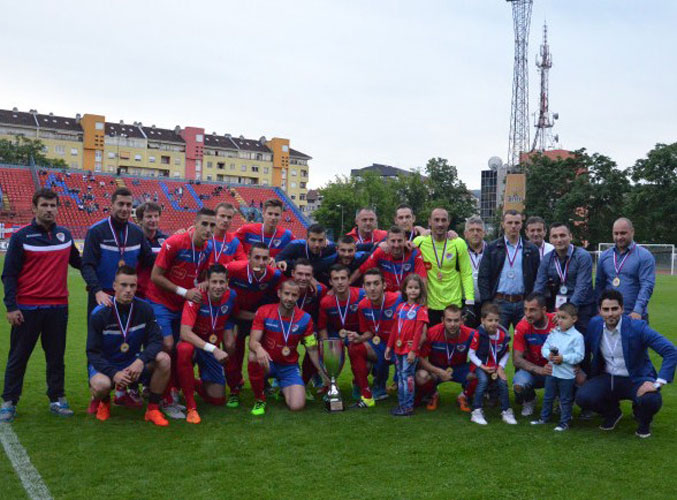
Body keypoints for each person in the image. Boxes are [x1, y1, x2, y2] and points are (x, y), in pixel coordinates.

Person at [0, 188, 82, 422]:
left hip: (58, 308)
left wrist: (98, 281)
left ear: (57, 208)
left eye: (52, 205)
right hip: (27, 308)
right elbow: (9, 275)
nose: (49, 210)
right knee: (19, 356)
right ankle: (9, 401)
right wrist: (11, 307)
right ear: (34, 208)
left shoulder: (65, 235)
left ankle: (57, 398)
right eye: (44, 205)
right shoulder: (21, 237)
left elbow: (79, 262)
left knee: (56, 357)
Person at [145, 208, 216, 418]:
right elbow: (155, 276)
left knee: (180, 349)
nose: (208, 229)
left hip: (182, 305)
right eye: (204, 224)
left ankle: (172, 390)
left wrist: (204, 283)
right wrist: (185, 292)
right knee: (167, 345)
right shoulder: (174, 243)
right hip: (160, 301)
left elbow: (202, 276)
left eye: (212, 225)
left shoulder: (207, 248)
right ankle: (162, 396)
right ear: (195, 223)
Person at [576, 289, 676, 438]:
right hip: (608, 377)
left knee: (651, 399)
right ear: (600, 311)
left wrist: (657, 383)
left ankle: (644, 423)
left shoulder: (638, 327)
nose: (610, 314)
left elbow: (670, 351)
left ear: (622, 309)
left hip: (636, 378)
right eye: (606, 309)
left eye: (614, 309)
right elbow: (585, 350)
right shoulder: (594, 324)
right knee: (583, 397)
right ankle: (612, 413)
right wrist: (580, 370)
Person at [85, 266, 171, 427]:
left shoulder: (145, 309)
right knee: (101, 385)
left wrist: (141, 361)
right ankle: (103, 402)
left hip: (133, 363)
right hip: (107, 364)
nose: (128, 290)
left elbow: (156, 341)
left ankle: (152, 409)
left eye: (132, 285)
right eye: (123, 285)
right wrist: (114, 373)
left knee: (164, 359)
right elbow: (92, 352)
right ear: (114, 286)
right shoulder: (100, 313)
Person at [247, 280, 327, 415]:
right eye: (287, 294)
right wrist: (259, 349)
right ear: (279, 293)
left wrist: (323, 373)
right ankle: (260, 398)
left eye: (294, 295)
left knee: (297, 406)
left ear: (298, 296)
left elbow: (312, 349)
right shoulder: (264, 311)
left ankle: (283, 388)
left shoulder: (305, 319)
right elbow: (253, 342)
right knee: (253, 355)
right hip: (268, 362)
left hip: (288, 367)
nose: (290, 298)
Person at [177, 264, 238, 424]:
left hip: (211, 348)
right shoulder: (196, 296)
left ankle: (188, 382)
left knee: (218, 399)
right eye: (214, 282)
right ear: (207, 282)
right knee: (184, 349)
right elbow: (185, 333)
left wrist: (228, 335)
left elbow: (230, 316)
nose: (218, 286)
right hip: (195, 345)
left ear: (227, 283)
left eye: (221, 282)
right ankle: (191, 406)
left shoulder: (231, 296)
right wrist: (214, 349)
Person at [224, 243, 283, 408]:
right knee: (231, 347)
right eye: (257, 257)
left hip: (257, 317)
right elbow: (214, 272)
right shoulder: (235, 268)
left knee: (260, 350)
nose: (261, 262)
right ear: (248, 257)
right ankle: (234, 388)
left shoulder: (274, 275)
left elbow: (286, 289)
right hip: (234, 315)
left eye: (265, 258)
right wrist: (204, 284)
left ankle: (264, 383)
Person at [81, 187, 154, 316]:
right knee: (99, 329)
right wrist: (97, 291)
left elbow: (150, 260)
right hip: (103, 296)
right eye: (121, 204)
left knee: (128, 329)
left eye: (128, 205)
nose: (125, 208)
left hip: (128, 295)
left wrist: (175, 244)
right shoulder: (96, 231)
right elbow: (87, 265)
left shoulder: (137, 233)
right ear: (112, 206)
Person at [349, 268, 403, 408]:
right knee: (355, 348)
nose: (372, 288)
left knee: (409, 386)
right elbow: (368, 332)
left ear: (384, 285)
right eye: (368, 284)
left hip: (400, 346)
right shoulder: (362, 305)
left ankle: (399, 385)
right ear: (363, 287)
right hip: (379, 345)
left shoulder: (398, 299)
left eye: (376, 283)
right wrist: (359, 338)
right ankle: (366, 394)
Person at [478, 210, 540, 330]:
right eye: (510, 222)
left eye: (517, 223)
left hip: (523, 303)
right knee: (498, 337)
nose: (513, 226)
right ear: (503, 224)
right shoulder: (492, 248)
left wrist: (533, 301)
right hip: (499, 302)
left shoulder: (531, 249)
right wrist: (487, 302)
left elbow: (537, 277)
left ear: (521, 225)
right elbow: (483, 276)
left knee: (525, 337)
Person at [414, 208, 474, 326]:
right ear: (429, 221)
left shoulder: (458, 243)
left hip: (453, 306)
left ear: (448, 222)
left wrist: (469, 302)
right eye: (436, 220)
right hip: (429, 305)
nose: (440, 224)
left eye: (443, 220)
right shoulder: (419, 242)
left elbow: (466, 273)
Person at [530, 303, 585, 431]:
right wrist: (548, 355)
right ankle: (544, 418)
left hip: (567, 375)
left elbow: (579, 356)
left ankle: (564, 422)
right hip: (552, 372)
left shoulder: (577, 337)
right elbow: (545, 348)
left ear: (574, 319)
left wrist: (563, 358)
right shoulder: (554, 332)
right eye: (558, 317)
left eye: (564, 318)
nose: (560, 320)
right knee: (548, 397)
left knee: (565, 399)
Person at [416, 305, 477, 413]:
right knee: (421, 376)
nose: (452, 324)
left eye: (456, 320)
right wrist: (437, 371)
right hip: (437, 369)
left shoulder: (472, 334)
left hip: (459, 368)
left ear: (462, 320)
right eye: (449, 320)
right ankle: (433, 394)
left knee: (479, 374)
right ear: (442, 320)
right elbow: (421, 358)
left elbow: (480, 357)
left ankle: (464, 396)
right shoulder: (432, 332)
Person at [534, 222, 595, 330]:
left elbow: (582, 288)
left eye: (562, 235)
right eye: (555, 236)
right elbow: (539, 286)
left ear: (570, 236)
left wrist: (566, 313)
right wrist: (533, 307)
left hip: (581, 309)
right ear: (550, 239)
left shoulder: (582, 256)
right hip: (558, 309)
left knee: (581, 339)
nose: (559, 240)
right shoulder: (547, 259)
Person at [594, 218, 655, 321]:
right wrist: (598, 309)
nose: (619, 237)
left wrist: (637, 310)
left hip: (634, 316)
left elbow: (647, 285)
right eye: (616, 233)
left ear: (632, 232)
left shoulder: (644, 256)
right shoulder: (605, 256)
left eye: (623, 233)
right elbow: (599, 286)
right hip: (609, 316)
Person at [385, 275, 429, 416]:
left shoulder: (421, 309)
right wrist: (389, 346)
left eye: (416, 288)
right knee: (400, 376)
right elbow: (394, 329)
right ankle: (401, 404)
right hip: (398, 348)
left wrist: (413, 350)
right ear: (404, 289)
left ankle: (408, 406)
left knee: (407, 376)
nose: (413, 290)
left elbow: (418, 332)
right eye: (410, 287)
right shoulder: (400, 307)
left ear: (420, 290)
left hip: (409, 350)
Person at [468, 302, 517, 425]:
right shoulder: (478, 334)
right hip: (480, 365)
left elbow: (506, 352)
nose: (493, 323)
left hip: (495, 366)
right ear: (483, 320)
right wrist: (482, 366)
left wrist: (500, 367)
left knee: (502, 382)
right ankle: (476, 411)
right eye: (490, 320)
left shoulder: (503, 335)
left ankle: (506, 410)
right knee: (483, 381)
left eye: (496, 320)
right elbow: (471, 353)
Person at [512, 293, 556, 417]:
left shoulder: (556, 321)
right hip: (533, 371)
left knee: (573, 376)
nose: (528, 314)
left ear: (544, 310)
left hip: (555, 369)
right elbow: (516, 360)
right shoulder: (522, 326)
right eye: (525, 309)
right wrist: (539, 370)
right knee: (519, 384)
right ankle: (530, 400)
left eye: (532, 310)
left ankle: (560, 402)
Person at [290, 259, 328, 398]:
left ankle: (305, 382)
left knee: (314, 346)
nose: (303, 278)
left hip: (308, 328)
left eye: (307, 275)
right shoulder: (284, 287)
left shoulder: (320, 290)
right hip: (286, 328)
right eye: (300, 274)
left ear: (312, 277)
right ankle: (280, 380)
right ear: (293, 273)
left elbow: (322, 311)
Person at [351, 226, 426, 292]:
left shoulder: (414, 252)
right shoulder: (381, 252)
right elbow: (361, 270)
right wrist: (348, 283)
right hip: (387, 299)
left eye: (399, 241)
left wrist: (422, 301)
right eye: (393, 241)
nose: (396, 245)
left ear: (405, 240)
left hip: (408, 297)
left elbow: (422, 280)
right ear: (387, 241)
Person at [135, 202, 167, 300]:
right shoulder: (133, 239)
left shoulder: (166, 241)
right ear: (140, 220)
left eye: (156, 216)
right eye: (149, 217)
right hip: (138, 294)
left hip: (159, 295)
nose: (153, 220)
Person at [204, 202, 246, 267]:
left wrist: (226, 267)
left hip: (223, 273)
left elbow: (244, 263)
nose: (226, 220)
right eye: (222, 216)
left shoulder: (234, 242)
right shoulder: (203, 236)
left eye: (229, 217)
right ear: (214, 217)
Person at [463, 215, 486, 328]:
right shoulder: (460, 250)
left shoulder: (492, 250)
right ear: (465, 234)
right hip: (466, 303)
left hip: (486, 303)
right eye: (471, 230)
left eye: (478, 230)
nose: (475, 233)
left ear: (484, 233)